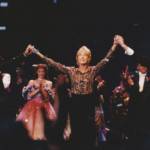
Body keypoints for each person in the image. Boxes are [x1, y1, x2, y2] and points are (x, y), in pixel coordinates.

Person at [23, 35, 134, 149]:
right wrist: (36, 52)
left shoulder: (93, 70)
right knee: (76, 131)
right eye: (80, 55)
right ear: (76, 58)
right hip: (75, 103)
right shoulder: (71, 71)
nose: (82, 57)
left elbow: (107, 59)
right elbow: (52, 63)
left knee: (89, 131)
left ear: (89, 57)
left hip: (88, 103)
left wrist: (115, 45)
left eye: (84, 55)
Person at [16, 64, 57, 141]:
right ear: (37, 72)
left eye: (43, 71)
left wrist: (42, 89)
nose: (41, 73)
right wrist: (38, 89)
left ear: (45, 72)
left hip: (44, 104)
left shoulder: (49, 83)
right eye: (39, 71)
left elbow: (47, 98)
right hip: (32, 104)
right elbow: (28, 96)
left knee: (43, 125)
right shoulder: (32, 81)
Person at [123, 56, 150, 150]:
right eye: (138, 65)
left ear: (146, 67)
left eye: (140, 66)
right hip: (133, 109)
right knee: (132, 134)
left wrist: (133, 86)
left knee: (142, 136)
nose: (138, 67)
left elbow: (143, 97)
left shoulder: (148, 78)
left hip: (144, 111)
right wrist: (126, 79)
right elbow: (126, 88)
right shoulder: (133, 76)